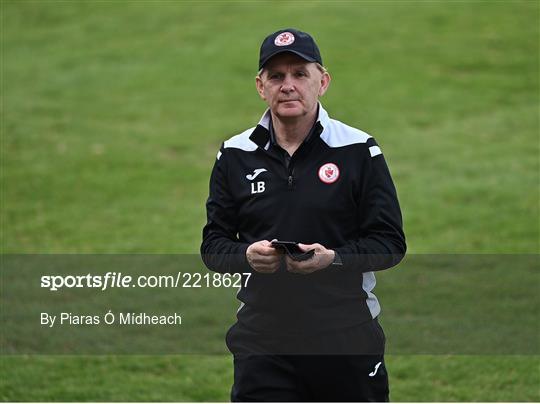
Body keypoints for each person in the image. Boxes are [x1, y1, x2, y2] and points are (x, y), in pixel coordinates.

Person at [201, 28, 406, 402]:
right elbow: (213, 245)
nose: (288, 85)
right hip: (263, 341)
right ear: (261, 86)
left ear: (322, 82)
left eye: (300, 74)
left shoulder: (359, 149)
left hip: (345, 336)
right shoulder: (234, 154)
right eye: (276, 76)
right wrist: (246, 256)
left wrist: (333, 259)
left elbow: (389, 243)